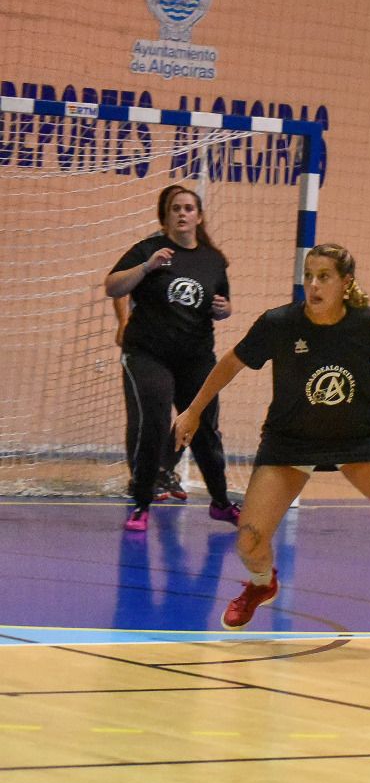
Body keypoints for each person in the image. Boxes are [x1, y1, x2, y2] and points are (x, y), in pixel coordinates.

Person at [173, 243, 370, 660]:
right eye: (308, 275)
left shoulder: (367, 323)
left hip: (357, 440)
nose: (312, 285)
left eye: (324, 277)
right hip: (290, 442)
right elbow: (230, 364)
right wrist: (192, 411)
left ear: (345, 284)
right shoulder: (279, 323)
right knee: (249, 541)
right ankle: (262, 582)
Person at [105, 184, 236, 532]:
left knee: (204, 426)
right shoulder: (149, 250)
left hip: (194, 357)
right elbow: (113, 286)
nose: (182, 213)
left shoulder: (212, 260)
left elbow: (220, 305)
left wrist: (225, 310)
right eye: (175, 208)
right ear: (166, 217)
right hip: (148, 353)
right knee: (155, 419)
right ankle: (142, 504)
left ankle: (221, 503)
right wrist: (146, 268)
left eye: (188, 208)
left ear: (199, 216)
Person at [115, 294, 185, 503]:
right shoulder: (150, 261)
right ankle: (140, 479)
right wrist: (123, 322)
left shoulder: (198, 263)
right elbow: (119, 287)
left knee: (197, 411)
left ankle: (164, 468)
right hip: (144, 350)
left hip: (183, 347)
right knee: (144, 415)